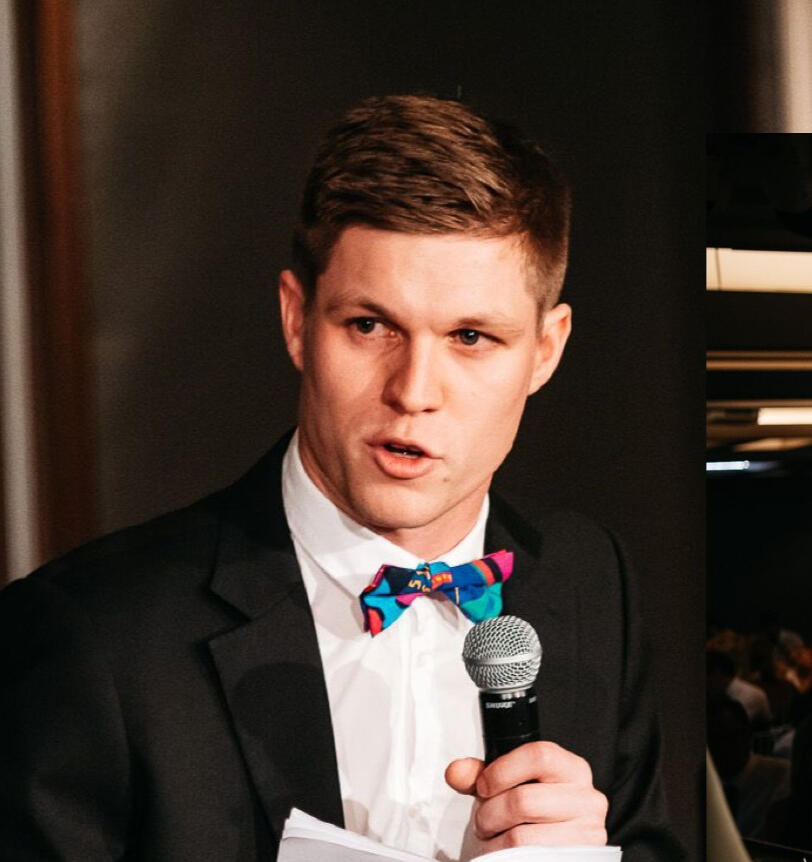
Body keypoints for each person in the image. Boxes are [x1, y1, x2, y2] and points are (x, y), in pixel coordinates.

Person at [0, 95, 682, 861]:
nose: (413, 390)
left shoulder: (590, 578)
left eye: (470, 336)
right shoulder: (93, 635)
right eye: (370, 325)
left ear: (545, 351)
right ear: (298, 320)